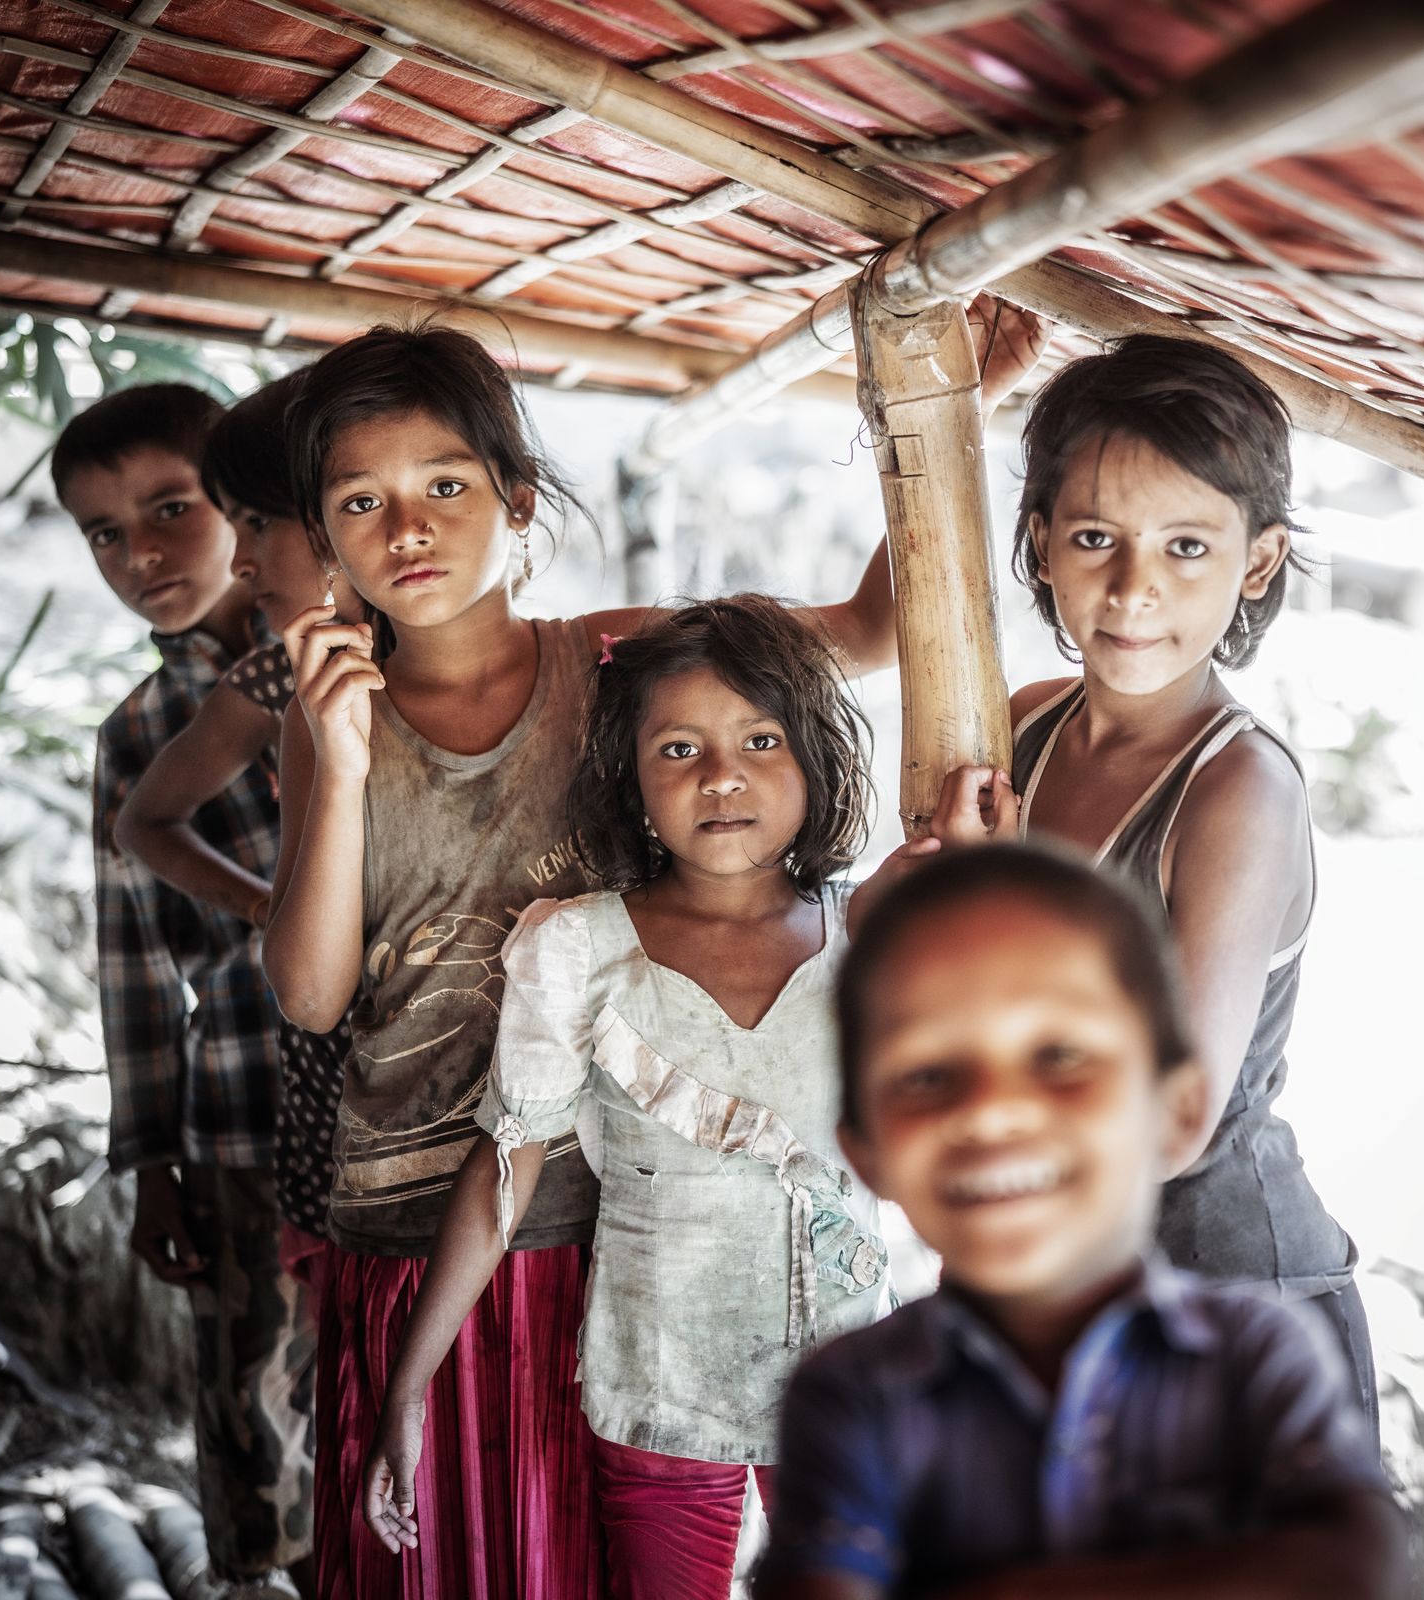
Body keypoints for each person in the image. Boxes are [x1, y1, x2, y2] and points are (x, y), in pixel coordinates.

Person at [261, 308, 1047, 1594]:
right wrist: (342, 763)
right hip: (421, 1223)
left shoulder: (617, 663)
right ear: (325, 539)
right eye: (361, 502)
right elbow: (310, 993)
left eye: (446, 485)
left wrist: (947, 415)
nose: (407, 529)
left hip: (619, 1234)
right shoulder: (332, 720)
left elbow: (860, 628)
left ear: (519, 500)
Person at [362, 597, 889, 1599]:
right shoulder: (577, 947)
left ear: (815, 761)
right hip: (654, 1394)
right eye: (678, 747)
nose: (721, 774)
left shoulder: (868, 930)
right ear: (632, 781)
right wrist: (409, 1381)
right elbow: (506, 1161)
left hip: (849, 1396)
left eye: (760, 738)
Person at [930, 334, 1377, 1433]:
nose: (1133, 590)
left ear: (1257, 563)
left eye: (1186, 546)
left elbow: (1174, 1118)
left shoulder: (1234, 791)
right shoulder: (1024, 729)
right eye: (1094, 538)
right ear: (1037, 543)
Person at [755, 843, 1400, 1599]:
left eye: (1059, 1056)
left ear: (1176, 1110)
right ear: (865, 1153)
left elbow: (1355, 1564)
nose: (993, 1109)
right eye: (928, 1074)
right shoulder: (852, 1393)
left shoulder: (1255, 1356)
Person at [57, 383, 316, 1594]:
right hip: (239, 1109)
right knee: (255, 1397)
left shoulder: (358, 649)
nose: (141, 552)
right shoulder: (135, 732)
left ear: (247, 508)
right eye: (104, 531)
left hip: (392, 1096)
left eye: (172, 508)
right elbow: (133, 963)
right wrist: (151, 1157)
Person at [117, 370, 360, 1267]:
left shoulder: (491, 667)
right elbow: (144, 824)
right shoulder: (276, 683)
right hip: (312, 1113)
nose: (242, 558)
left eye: (256, 522)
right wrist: (268, 905)